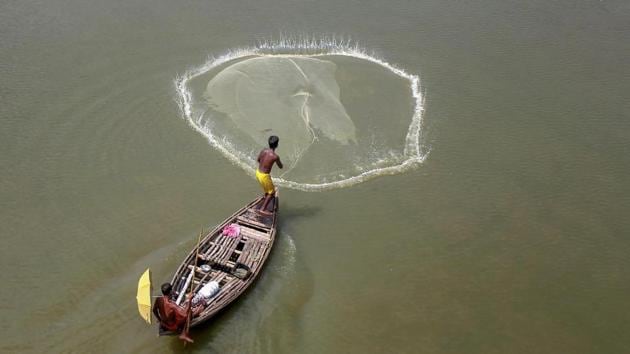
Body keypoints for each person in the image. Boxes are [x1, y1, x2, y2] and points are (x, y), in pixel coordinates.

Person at [256, 135, 283, 215]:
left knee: (267, 190)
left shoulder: (263, 150)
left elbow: (258, 160)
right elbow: (280, 166)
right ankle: (262, 209)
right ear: (277, 145)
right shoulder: (275, 156)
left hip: (258, 173)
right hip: (264, 176)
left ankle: (265, 198)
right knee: (272, 193)